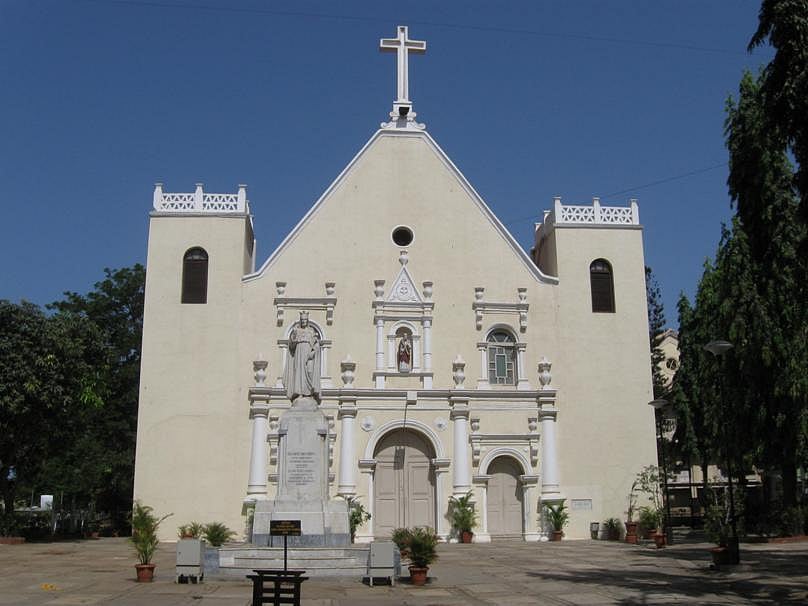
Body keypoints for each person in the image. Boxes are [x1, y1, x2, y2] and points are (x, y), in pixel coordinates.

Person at [284, 311, 321, 403]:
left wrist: (313, 352)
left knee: (309, 372)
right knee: (298, 372)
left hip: (308, 355)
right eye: (302, 320)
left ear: (307, 321)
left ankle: (309, 393)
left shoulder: (311, 331)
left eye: (305, 320)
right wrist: (293, 339)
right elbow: (291, 346)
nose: (304, 321)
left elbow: (316, 344)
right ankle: (299, 392)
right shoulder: (296, 331)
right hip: (298, 354)